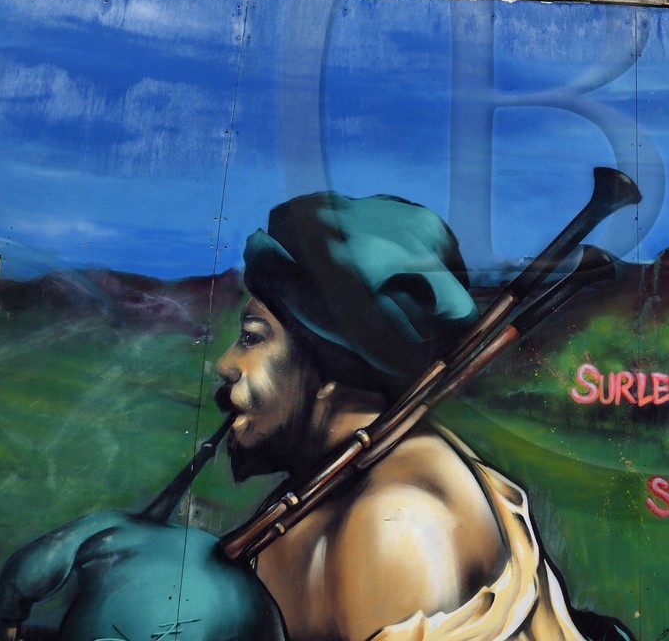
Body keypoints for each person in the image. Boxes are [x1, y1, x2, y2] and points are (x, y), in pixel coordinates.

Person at [217, 191, 630, 641]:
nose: (226, 364)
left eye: (253, 337)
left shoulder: (397, 525)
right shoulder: (318, 489)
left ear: (329, 366)